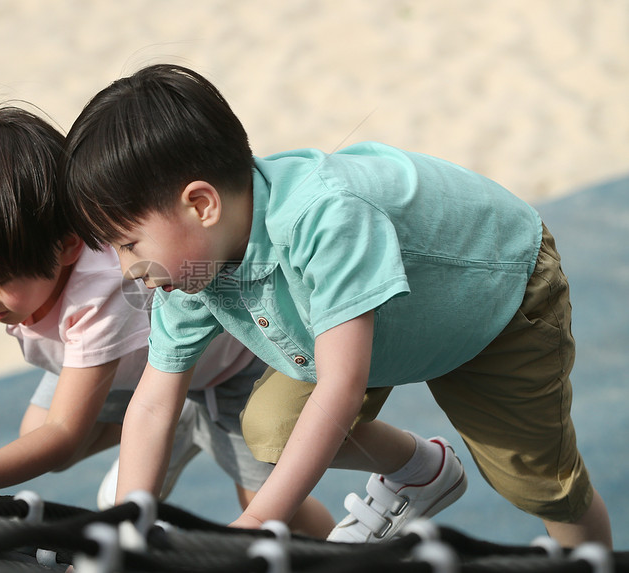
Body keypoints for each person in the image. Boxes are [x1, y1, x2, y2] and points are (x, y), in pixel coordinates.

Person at [60, 64, 613, 548]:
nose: (125, 266)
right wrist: (125, 529)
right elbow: (156, 403)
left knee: (539, 486)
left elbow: (341, 389)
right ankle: (420, 473)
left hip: (492, 302)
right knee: (274, 425)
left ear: (200, 205)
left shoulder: (325, 220)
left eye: (128, 243)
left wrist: (257, 521)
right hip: (376, 327)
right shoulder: (192, 271)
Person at [0, 104, 335, 541]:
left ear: (68, 248)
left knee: (270, 507)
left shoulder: (101, 290)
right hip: (131, 372)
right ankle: (173, 419)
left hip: (227, 366)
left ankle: (339, 547)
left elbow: (63, 434)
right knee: (30, 435)